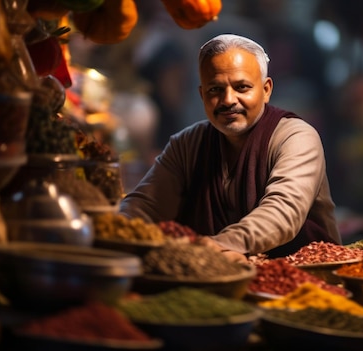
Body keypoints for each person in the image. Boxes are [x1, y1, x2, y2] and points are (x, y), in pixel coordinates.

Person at [119, 34, 341, 260]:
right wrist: (115, 231)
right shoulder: (187, 144)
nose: (228, 100)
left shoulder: (295, 137)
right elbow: (145, 205)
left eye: (242, 87)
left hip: (302, 281)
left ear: (266, 90)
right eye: (215, 89)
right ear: (202, 94)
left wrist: (211, 246)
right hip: (211, 277)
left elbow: (282, 213)